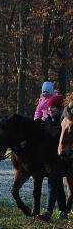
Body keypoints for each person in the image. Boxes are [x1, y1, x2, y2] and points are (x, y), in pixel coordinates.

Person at [41, 93, 68, 221]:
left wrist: (48, 123)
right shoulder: (48, 120)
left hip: (60, 158)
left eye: (54, 108)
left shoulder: (62, 121)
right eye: (50, 108)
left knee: (52, 182)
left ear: (59, 108)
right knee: (56, 184)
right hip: (49, 159)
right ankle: (63, 211)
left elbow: (54, 134)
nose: (51, 110)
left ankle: (48, 211)